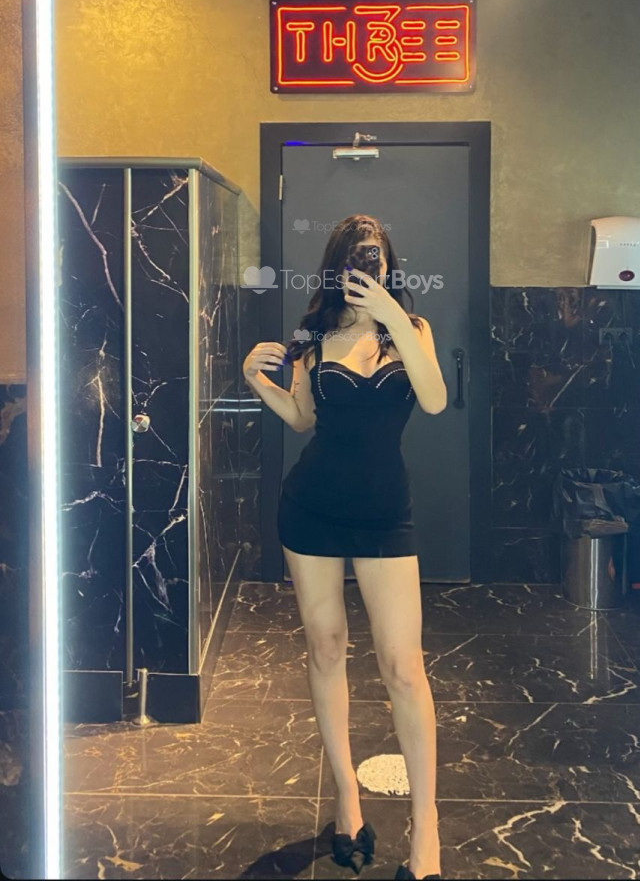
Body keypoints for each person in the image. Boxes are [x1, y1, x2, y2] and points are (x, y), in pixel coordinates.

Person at [242, 214, 447, 880]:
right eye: (358, 257)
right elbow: (303, 418)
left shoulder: (411, 329)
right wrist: (258, 382)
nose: (369, 266)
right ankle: (347, 798)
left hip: (386, 516)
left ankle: (426, 833)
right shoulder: (313, 335)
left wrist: (389, 313)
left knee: (403, 667)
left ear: (389, 264)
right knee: (327, 649)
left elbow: (435, 401)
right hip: (313, 509)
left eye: (377, 256)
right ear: (337, 266)